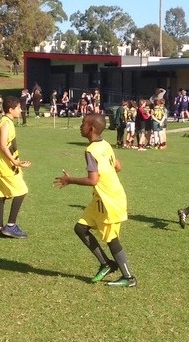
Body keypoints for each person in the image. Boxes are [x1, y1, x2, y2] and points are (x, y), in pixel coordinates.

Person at [53, 113, 136, 287]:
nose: (80, 126)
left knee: (112, 239)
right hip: (101, 198)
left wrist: (70, 180)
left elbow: (93, 180)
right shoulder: (105, 144)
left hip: (109, 200)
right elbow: (118, 166)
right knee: (80, 228)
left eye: (83, 123)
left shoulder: (90, 150)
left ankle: (129, 278)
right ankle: (106, 264)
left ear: (91, 129)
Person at [0, 95, 31, 238]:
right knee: (21, 191)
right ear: (11, 109)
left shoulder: (5, 121)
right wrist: (15, 162)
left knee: (1, 194)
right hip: (5, 166)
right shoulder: (6, 123)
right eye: (19, 108)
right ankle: (11, 226)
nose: (21, 110)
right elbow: (2, 144)